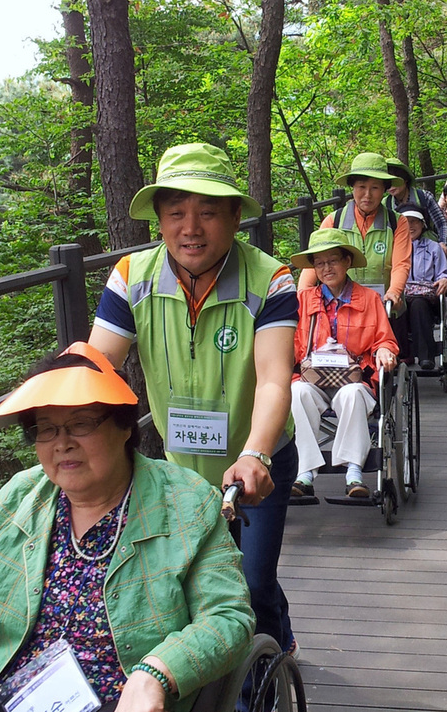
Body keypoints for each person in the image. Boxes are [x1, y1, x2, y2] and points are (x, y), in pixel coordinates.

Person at [0, 342, 254, 712]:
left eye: (81, 424)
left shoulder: (187, 502)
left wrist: (157, 671)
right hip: (3, 685)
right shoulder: (21, 496)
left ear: (124, 426)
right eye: (46, 429)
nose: (62, 444)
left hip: (121, 692)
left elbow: (227, 617)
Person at [88, 143, 299, 656]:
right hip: (182, 467)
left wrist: (254, 453)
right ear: (158, 220)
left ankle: (265, 669)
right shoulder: (131, 276)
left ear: (233, 217)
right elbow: (99, 367)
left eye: (208, 212)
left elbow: (274, 377)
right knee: (201, 586)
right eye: (176, 212)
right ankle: (272, 638)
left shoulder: (270, 278)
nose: (191, 227)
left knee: (250, 583)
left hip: (261, 455)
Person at [289, 232, 399, 499]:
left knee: (351, 395)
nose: (326, 268)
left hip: (354, 380)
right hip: (312, 379)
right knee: (296, 393)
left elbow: (385, 340)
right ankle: (304, 473)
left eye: (333, 261)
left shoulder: (369, 299)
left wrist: (384, 349)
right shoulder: (303, 301)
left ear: (347, 261)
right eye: (319, 263)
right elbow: (289, 344)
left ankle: (353, 473)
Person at [296, 151, 410, 310]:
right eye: (361, 187)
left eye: (375, 188)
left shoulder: (397, 222)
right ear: (352, 187)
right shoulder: (334, 221)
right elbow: (314, 262)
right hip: (341, 310)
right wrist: (303, 296)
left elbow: (401, 264)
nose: (367, 195)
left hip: (386, 306)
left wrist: (394, 292)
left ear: (384, 189)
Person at [400, 205, 447, 369]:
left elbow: (444, 273)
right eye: (406, 222)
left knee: (418, 304)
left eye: (414, 222)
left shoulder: (433, 247)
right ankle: (401, 353)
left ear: (422, 224)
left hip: (427, 299)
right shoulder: (394, 248)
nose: (410, 226)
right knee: (392, 306)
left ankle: (425, 356)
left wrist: (444, 279)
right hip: (400, 296)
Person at [383, 157, 447, 244]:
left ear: (405, 179)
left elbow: (441, 223)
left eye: (395, 181)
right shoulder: (385, 203)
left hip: (428, 247)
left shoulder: (424, 197)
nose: (391, 186)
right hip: (399, 246)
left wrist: (443, 243)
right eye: (388, 183)